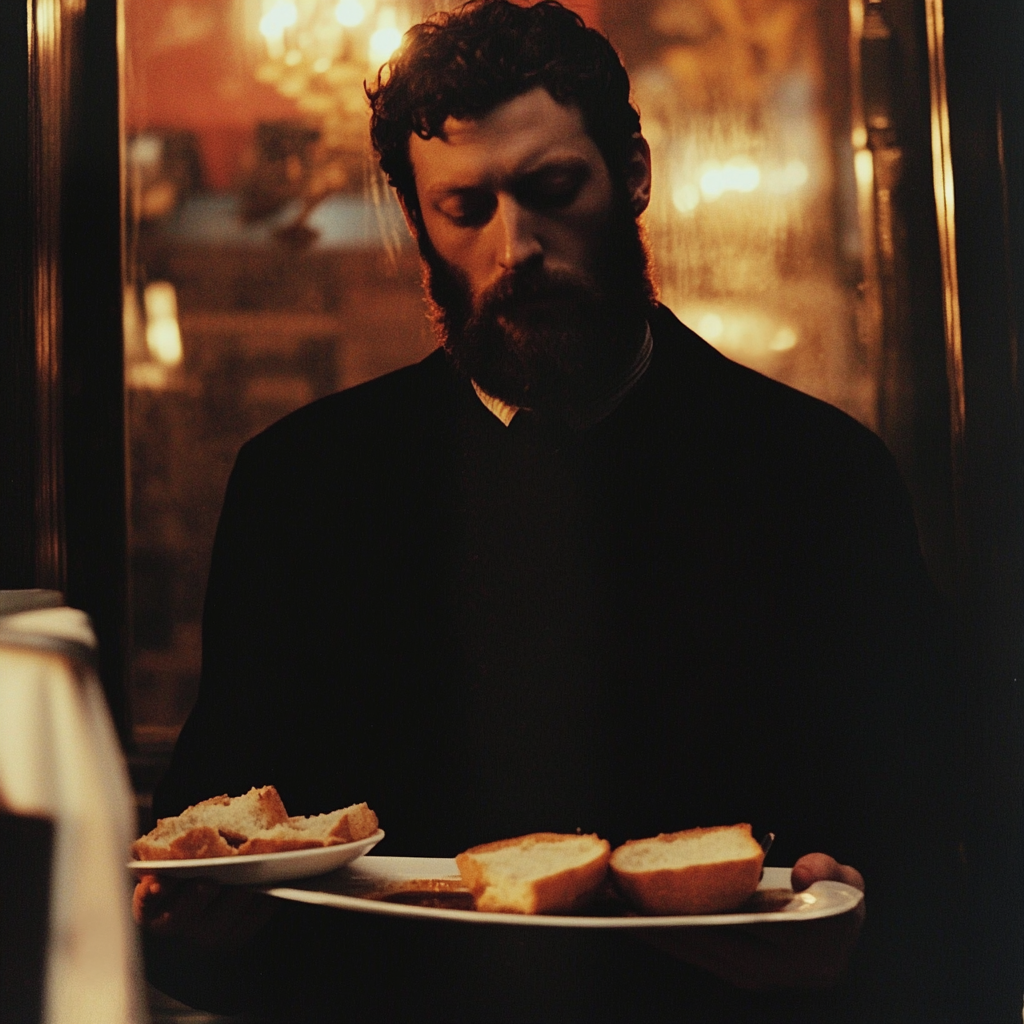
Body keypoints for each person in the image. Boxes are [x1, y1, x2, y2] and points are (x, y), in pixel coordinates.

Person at [135, 2, 964, 1020]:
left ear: (633, 176)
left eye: (551, 189)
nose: (514, 245)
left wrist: (862, 935)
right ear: (417, 222)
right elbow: (219, 850)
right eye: (465, 208)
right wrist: (192, 923)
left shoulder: (819, 474)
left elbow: (941, 846)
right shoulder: (301, 483)